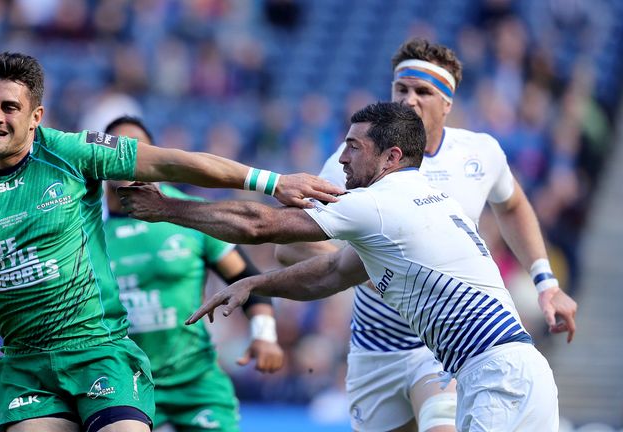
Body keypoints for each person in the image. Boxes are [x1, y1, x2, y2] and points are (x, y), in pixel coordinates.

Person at [0, 52, 341, 432]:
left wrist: (271, 181)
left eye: (10, 107)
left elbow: (173, 164)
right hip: (26, 369)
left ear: (36, 117)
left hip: (98, 350)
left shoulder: (71, 154)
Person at [117, 102, 560, 431]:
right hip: (514, 371)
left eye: (353, 147)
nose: (342, 158)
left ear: (391, 157)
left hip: (495, 376)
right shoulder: (421, 200)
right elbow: (332, 273)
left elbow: (259, 224)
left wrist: (166, 209)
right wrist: (255, 282)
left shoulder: (379, 204)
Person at [271, 38, 577, 431]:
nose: (409, 100)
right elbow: (288, 247)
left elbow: (513, 205)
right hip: (375, 345)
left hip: (442, 345)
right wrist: (363, 263)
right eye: (401, 89)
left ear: (447, 103)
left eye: (423, 91)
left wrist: (545, 280)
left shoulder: (478, 154)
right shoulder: (349, 165)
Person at [102, 116, 284, 431]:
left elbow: (249, 280)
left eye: (138, 149)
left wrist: (264, 335)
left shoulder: (189, 214)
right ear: (100, 161)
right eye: (119, 149)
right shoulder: (82, 229)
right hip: (122, 384)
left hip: (195, 381)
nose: (128, 158)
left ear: (152, 157)